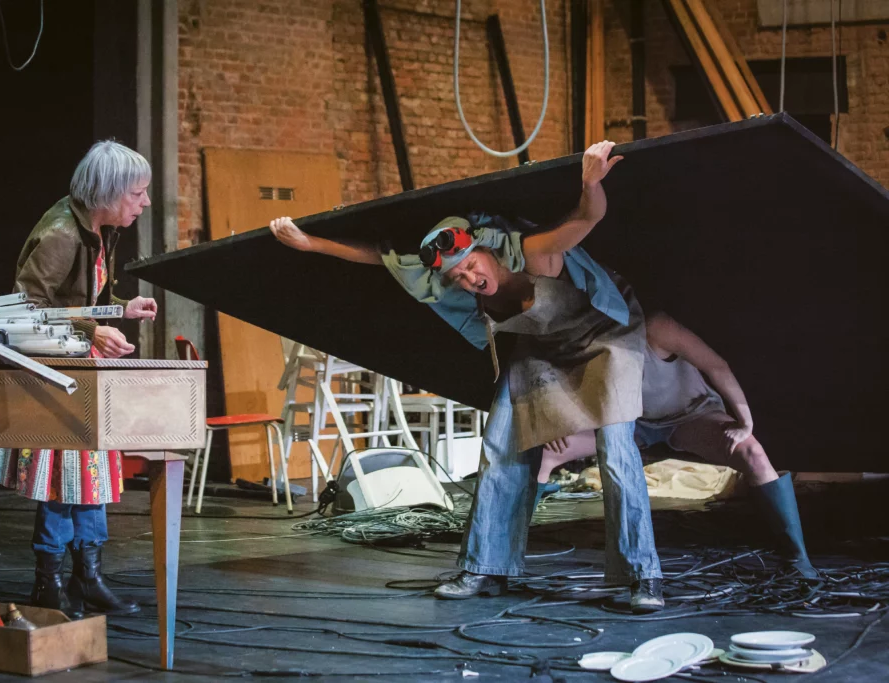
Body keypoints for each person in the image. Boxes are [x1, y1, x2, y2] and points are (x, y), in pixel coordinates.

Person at [270, 141, 666, 613]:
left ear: (486, 250)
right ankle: (485, 567)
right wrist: (309, 243)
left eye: (471, 267)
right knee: (501, 444)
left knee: (616, 449)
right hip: (541, 349)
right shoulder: (447, 275)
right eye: (458, 278)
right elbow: (378, 256)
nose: (469, 280)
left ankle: (642, 576)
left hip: (605, 337)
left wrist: (590, 182)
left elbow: (584, 219)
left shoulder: (533, 254)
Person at [0, 140, 158, 617]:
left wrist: (121, 309)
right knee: (62, 479)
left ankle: (89, 577)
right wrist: (92, 329)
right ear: (111, 191)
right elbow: (27, 307)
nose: (144, 203)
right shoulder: (62, 233)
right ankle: (50, 583)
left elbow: (86, 297)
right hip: (54, 372)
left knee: (91, 475)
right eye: (138, 193)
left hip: (78, 365)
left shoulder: (97, 229)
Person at [536, 311, 817, 578]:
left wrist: (745, 423)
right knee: (547, 452)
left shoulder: (657, 327)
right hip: (628, 425)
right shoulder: (581, 336)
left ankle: (797, 558)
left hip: (690, 417)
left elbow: (716, 366)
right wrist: (557, 422)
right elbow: (555, 382)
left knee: (753, 453)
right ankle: (505, 553)